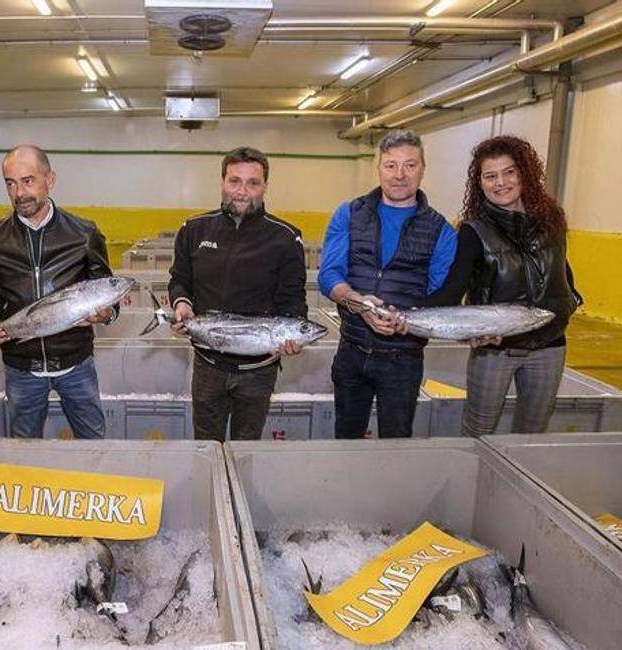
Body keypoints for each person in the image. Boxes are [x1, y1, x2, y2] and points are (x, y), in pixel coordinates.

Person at [426, 135, 582, 436]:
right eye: (490, 176)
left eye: (509, 172)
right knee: (478, 430)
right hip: (494, 349)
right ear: (479, 183)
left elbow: (560, 272)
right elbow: (451, 290)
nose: (501, 182)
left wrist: (568, 305)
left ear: (524, 173)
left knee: (532, 433)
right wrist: (409, 313)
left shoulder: (553, 220)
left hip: (550, 345)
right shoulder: (474, 231)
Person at [0, 145, 117, 439]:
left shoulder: (84, 234)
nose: (19, 193)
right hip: (21, 370)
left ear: (50, 179)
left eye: (28, 181)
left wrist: (106, 313)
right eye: (11, 183)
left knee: (94, 443)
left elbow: (107, 293)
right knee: (23, 448)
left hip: (76, 365)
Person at [318, 129, 458, 439]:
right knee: (346, 440)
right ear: (378, 168)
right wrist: (359, 303)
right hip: (351, 352)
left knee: (396, 443)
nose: (399, 175)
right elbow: (329, 275)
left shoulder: (441, 231)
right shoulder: (350, 214)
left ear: (423, 169)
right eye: (391, 165)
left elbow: (437, 296)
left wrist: (408, 321)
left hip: (403, 360)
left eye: (410, 165)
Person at [168, 146, 308, 442]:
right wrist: (182, 304)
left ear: (265, 187)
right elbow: (180, 280)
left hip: (258, 370)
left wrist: (295, 331)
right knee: (207, 445)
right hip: (207, 365)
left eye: (253, 183)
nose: (242, 191)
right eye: (234, 181)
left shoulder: (285, 238)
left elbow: (293, 299)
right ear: (222, 182)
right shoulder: (194, 229)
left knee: (247, 446)